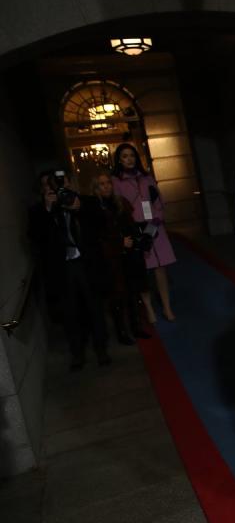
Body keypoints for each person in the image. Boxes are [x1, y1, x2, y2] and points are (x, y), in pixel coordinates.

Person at [27, 170, 110, 370]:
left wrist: (78, 209)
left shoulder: (86, 202)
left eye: (59, 182)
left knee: (95, 309)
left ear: (69, 182)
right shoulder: (39, 211)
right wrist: (48, 209)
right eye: (48, 184)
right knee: (70, 314)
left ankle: (101, 350)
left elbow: (103, 225)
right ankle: (77, 353)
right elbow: (35, 238)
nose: (54, 187)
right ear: (43, 189)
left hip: (86, 265)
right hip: (62, 268)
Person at [111, 143, 177, 323]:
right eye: (124, 156)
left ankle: (167, 307)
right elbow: (117, 208)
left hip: (155, 226)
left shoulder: (147, 177)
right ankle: (148, 307)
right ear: (119, 160)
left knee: (161, 268)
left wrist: (157, 219)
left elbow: (159, 200)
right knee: (142, 270)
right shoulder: (116, 181)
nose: (129, 159)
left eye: (131, 155)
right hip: (136, 228)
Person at [91, 169, 150, 345]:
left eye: (108, 183)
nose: (106, 186)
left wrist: (138, 238)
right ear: (96, 188)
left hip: (129, 254)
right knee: (117, 296)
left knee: (133, 292)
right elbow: (97, 236)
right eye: (101, 184)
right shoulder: (95, 208)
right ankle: (122, 332)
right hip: (111, 259)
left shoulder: (121, 202)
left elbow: (130, 224)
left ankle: (136, 327)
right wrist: (119, 242)